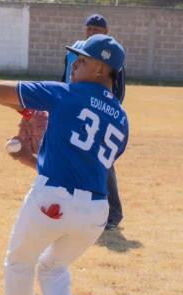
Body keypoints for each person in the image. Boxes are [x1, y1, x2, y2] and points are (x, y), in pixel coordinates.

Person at [0, 34, 129, 295]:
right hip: (94, 213)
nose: (74, 62)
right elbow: (81, 167)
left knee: (20, 261)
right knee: (54, 265)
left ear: (101, 70)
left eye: (82, 59)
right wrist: (30, 158)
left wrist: (29, 111)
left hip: (52, 199)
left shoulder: (65, 94)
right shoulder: (122, 119)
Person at [62, 13, 126, 231]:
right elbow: (64, 79)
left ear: (105, 33)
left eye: (96, 30)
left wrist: (106, 114)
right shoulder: (75, 50)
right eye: (89, 29)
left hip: (98, 116)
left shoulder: (111, 56)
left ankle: (113, 213)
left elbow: (118, 92)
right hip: (73, 111)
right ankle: (72, 209)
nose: (91, 33)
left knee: (102, 164)